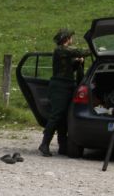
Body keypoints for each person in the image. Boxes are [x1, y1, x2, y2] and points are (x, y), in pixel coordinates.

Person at [38, 28, 91, 157]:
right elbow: (79, 51)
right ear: (66, 39)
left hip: (67, 86)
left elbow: (68, 69)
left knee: (64, 117)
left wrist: (77, 63)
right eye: (70, 37)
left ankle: (63, 146)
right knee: (56, 115)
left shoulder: (65, 53)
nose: (72, 39)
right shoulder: (61, 50)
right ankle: (44, 144)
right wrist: (92, 50)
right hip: (59, 87)